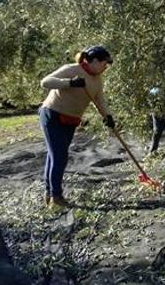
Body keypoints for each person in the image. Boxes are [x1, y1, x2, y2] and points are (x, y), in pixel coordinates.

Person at [39, 45, 116, 208]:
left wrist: (107, 116)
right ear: (94, 61)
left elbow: (99, 100)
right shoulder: (71, 69)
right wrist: (70, 83)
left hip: (71, 119)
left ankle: (49, 193)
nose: (106, 67)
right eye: (104, 63)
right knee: (59, 156)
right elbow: (45, 82)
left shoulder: (97, 79)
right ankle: (56, 197)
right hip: (52, 114)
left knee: (55, 155)